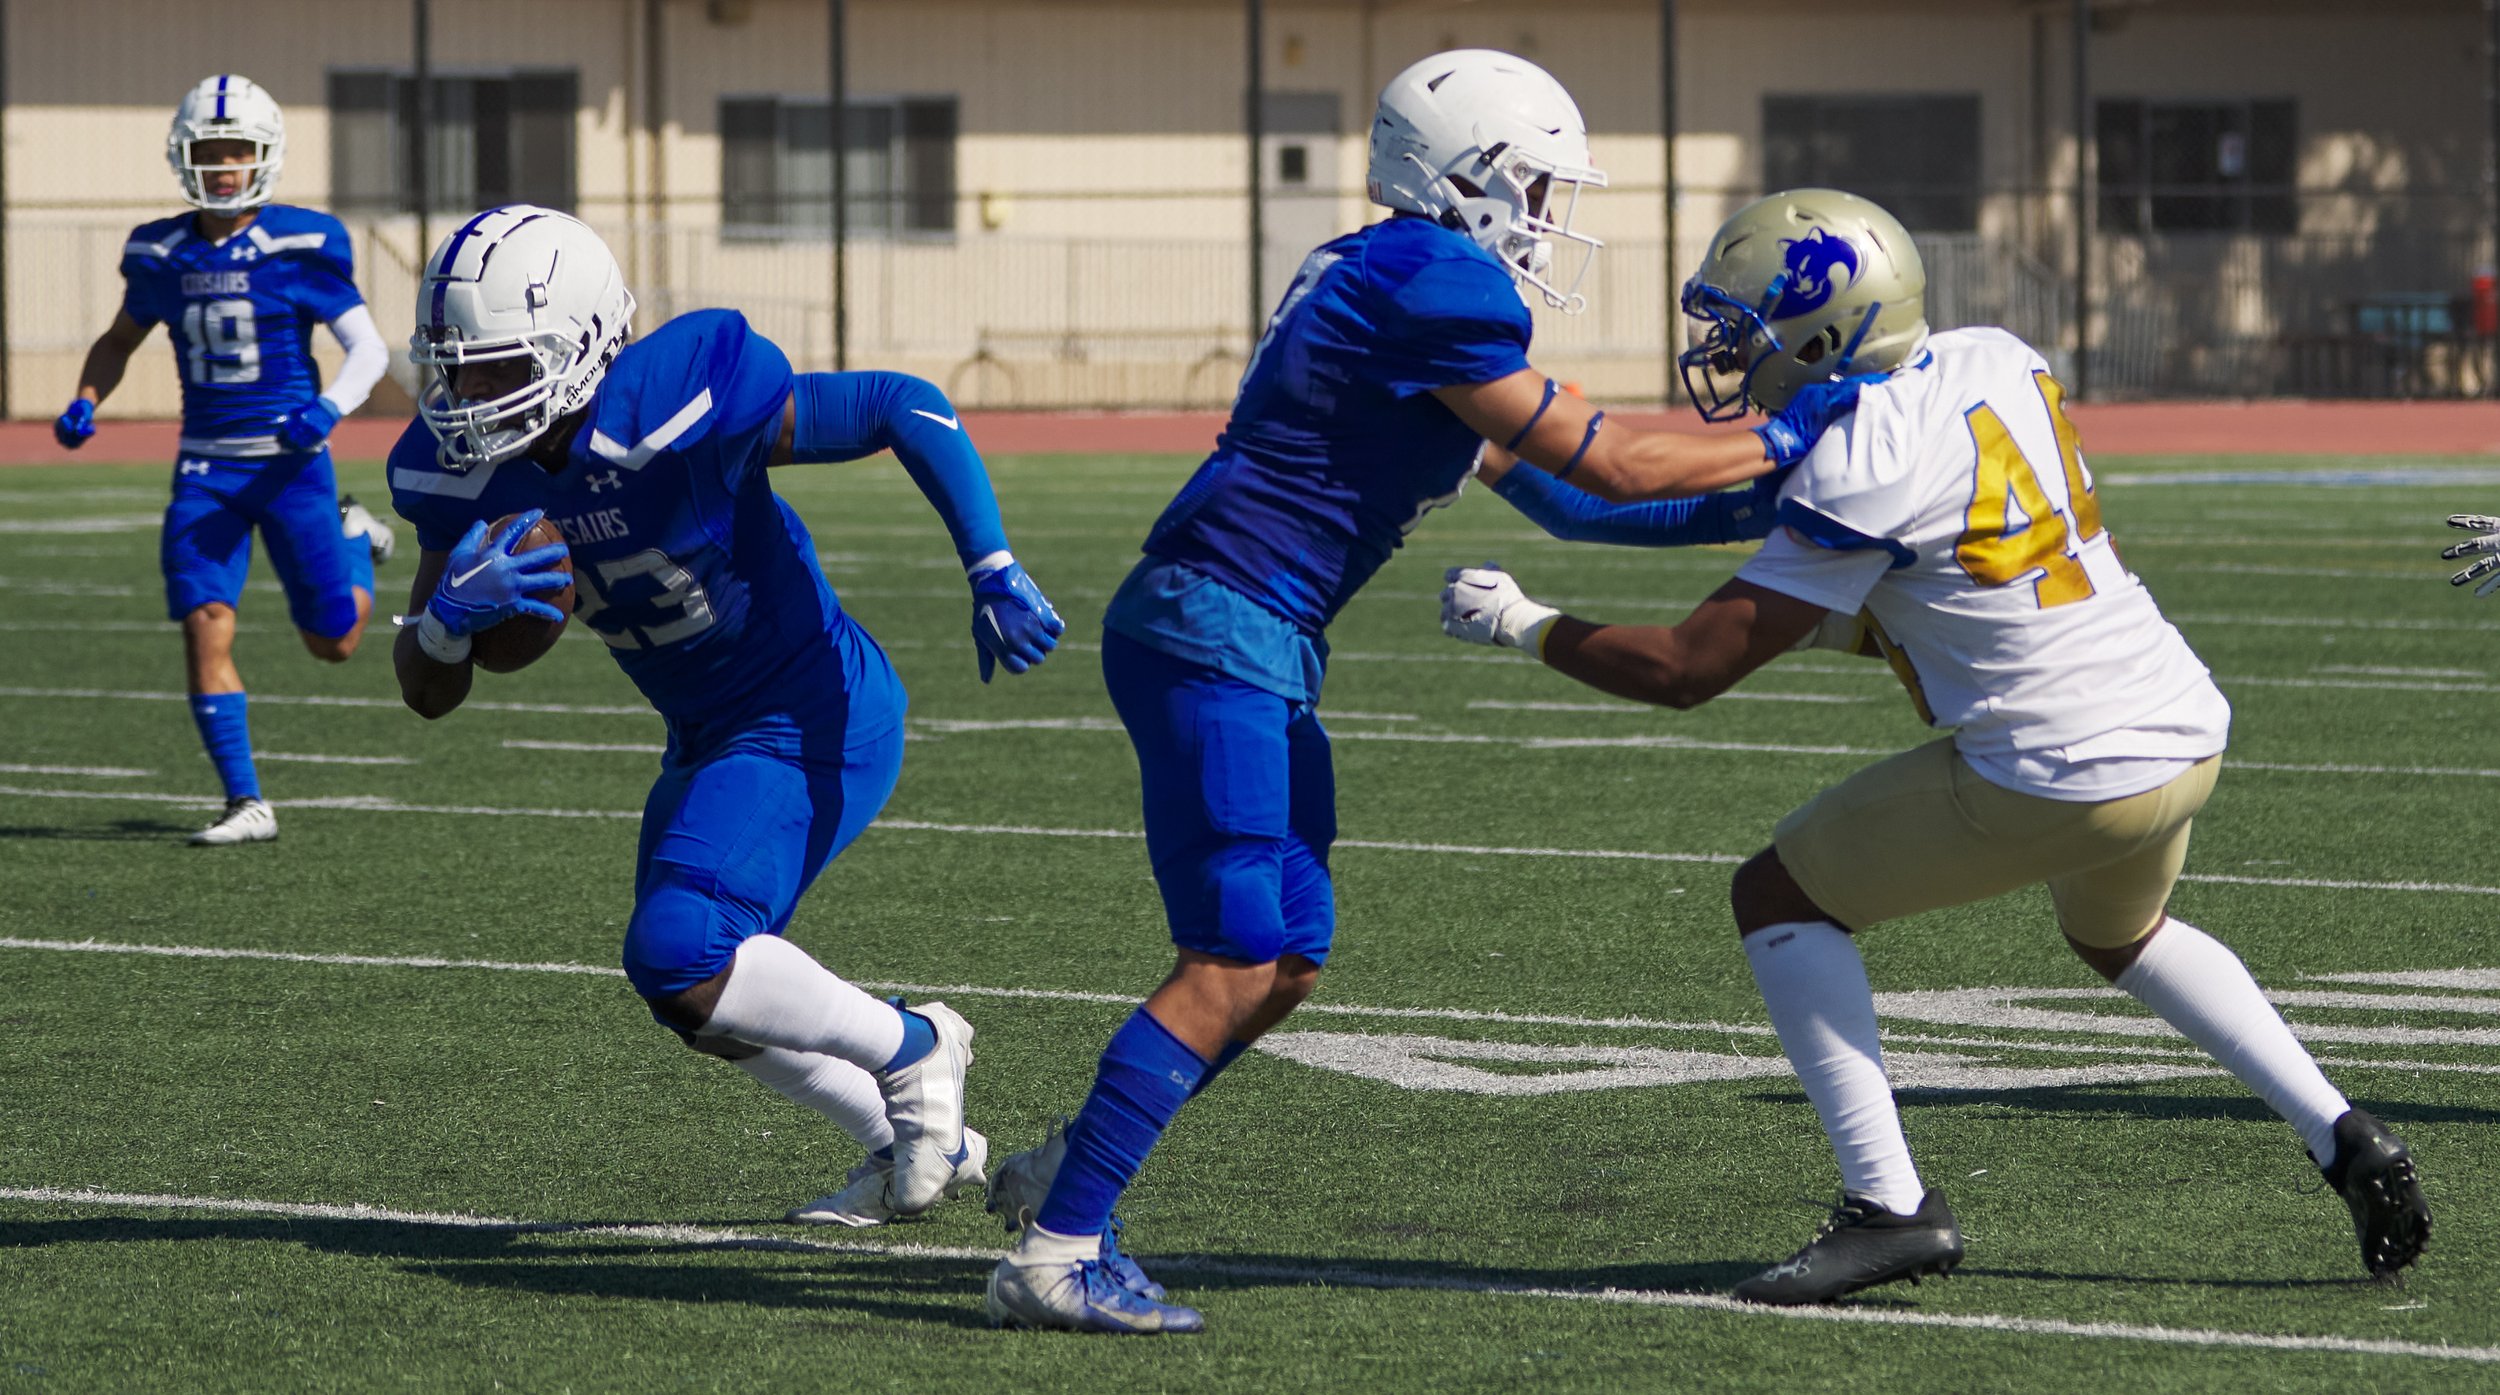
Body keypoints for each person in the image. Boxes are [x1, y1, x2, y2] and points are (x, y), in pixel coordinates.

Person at [979, 51, 1870, 1335]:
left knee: (1286, 957)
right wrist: (1798, 431)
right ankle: (1054, 1255)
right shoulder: (1433, 278)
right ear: (1470, 175)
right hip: (1215, 623)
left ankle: (1074, 1166)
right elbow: (1610, 460)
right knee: (1231, 958)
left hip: (1249, 634)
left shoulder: (1394, 275)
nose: (1554, 213)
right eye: (1542, 184)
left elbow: (1578, 500)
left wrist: (1782, 499)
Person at [1438, 187, 2431, 1304]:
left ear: (1821, 334)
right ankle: (2340, 1133)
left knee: (1778, 896)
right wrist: (1510, 469)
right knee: (2123, 935)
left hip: (2063, 767)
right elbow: (1820, 544)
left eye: (1742, 326)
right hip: (2178, 730)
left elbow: (1683, 670)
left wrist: (1522, 623)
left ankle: (1889, 1207)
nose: (1721, 348)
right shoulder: (1990, 356)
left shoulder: (1862, 457)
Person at [385, 205, 1067, 1226]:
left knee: (680, 944)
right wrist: (442, 624)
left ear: (581, 346)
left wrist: (992, 563)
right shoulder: (457, 472)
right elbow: (427, 692)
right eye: (457, 367)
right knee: (690, 999)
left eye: (497, 367)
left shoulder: (676, 403)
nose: (467, 395)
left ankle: (919, 1049)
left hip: (809, 709)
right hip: (706, 737)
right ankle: (912, 1143)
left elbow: (898, 403)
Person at [54, 74, 395, 846]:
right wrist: (86, 396)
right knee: (205, 620)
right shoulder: (160, 251)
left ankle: (356, 540)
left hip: (289, 464)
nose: (223, 164)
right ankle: (247, 800)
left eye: (236, 149)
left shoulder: (301, 243)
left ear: (264, 156)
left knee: (333, 640)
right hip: (205, 469)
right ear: (184, 155)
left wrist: (328, 408)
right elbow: (119, 339)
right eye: (210, 150)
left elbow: (367, 348)